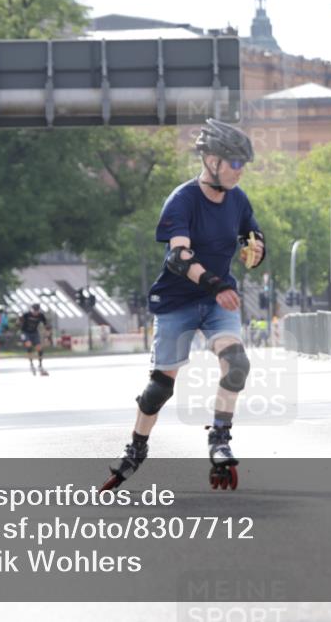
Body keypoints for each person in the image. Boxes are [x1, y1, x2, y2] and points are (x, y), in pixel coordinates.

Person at [103, 118, 265, 491]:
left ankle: (220, 438)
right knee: (160, 388)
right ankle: (136, 449)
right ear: (211, 160)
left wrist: (256, 248)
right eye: (235, 164)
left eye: (244, 165)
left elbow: (252, 235)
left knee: (237, 363)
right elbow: (178, 258)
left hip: (217, 302)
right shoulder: (183, 199)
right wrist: (215, 283)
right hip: (178, 301)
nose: (241, 172)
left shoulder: (238, 200)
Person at [19, 303, 49, 376]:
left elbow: (46, 324)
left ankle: (40, 364)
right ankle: (31, 363)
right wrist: (19, 319)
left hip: (34, 332)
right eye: (34, 311)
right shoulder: (26, 314)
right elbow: (18, 323)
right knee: (29, 345)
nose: (35, 313)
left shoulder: (40, 315)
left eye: (37, 311)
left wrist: (47, 335)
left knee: (39, 347)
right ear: (31, 310)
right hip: (25, 332)